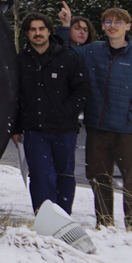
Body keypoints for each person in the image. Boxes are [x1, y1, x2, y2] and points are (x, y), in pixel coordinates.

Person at [58, 4, 132, 231]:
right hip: (97, 127)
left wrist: (129, 113)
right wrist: (65, 26)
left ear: (127, 26)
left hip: (127, 130)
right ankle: (104, 223)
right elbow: (66, 53)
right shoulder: (93, 51)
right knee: (98, 176)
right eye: (108, 22)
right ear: (103, 26)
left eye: (118, 22)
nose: (112, 27)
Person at [10, 13, 89, 215]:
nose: (38, 33)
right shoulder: (21, 61)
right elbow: (15, 97)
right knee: (39, 175)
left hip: (65, 130)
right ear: (27, 33)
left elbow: (82, 89)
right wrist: (16, 127)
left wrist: (67, 111)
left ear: (48, 31)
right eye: (33, 30)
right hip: (35, 130)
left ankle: (63, 216)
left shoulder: (67, 57)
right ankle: (43, 216)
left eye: (41, 29)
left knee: (64, 175)